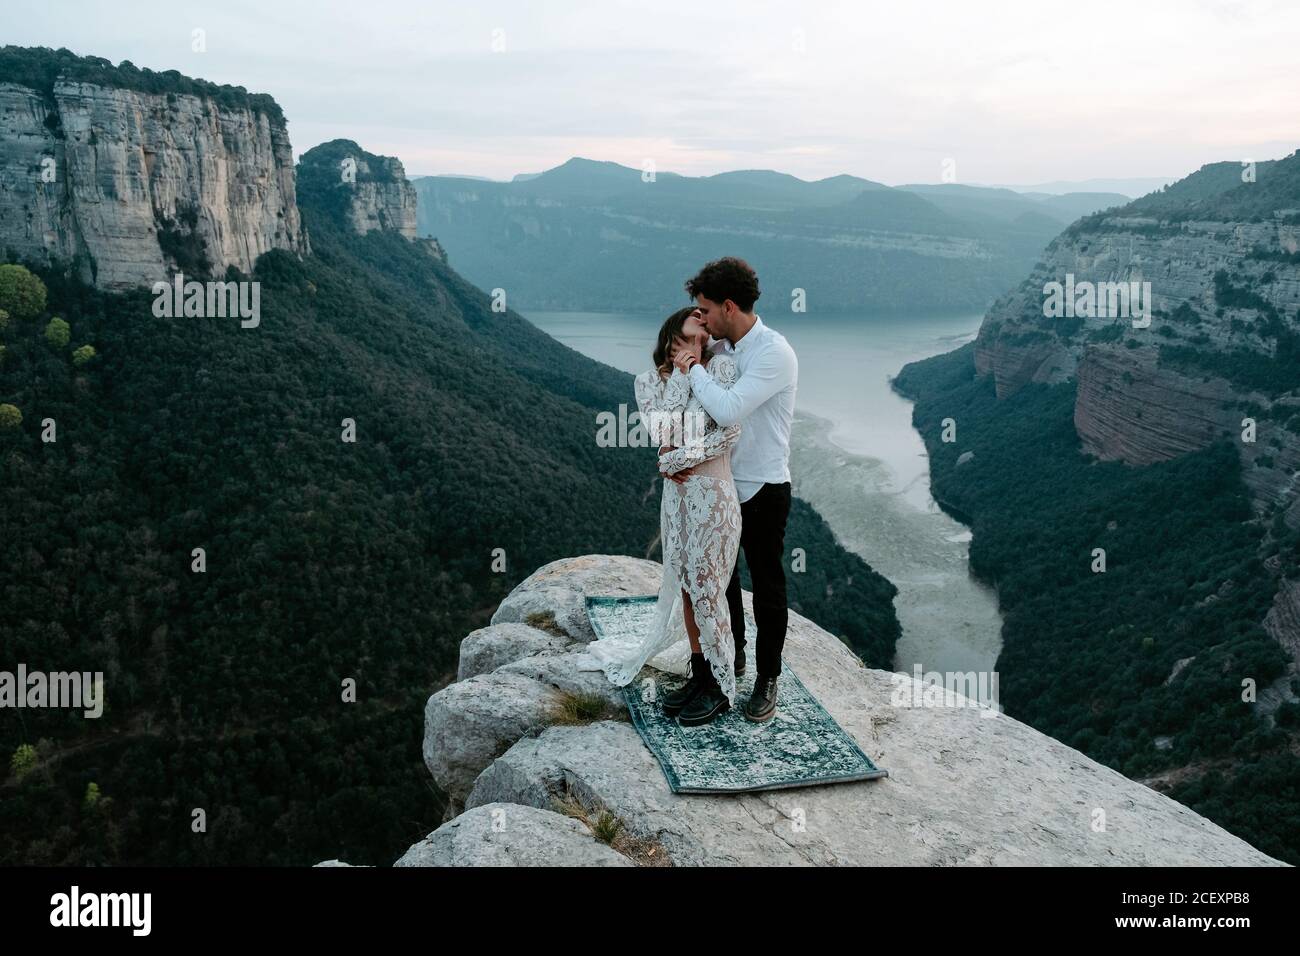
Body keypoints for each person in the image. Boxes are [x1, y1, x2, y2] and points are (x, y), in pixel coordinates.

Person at [582, 306, 743, 726]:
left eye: (705, 330)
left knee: (710, 590)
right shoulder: (648, 382)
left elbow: (729, 432)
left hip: (713, 495)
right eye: (694, 326)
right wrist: (680, 377)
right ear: (673, 333)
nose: (702, 332)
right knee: (688, 587)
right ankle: (700, 673)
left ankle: (722, 688)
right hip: (676, 503)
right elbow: (663, 434)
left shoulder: (720, 370)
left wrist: (677, 461)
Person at [671, 257, 798, 722]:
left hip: (764, 486)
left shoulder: (774, 352)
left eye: (706, 309)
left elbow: (727, 410)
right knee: (721, 582)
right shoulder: (720, 349)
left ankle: (768, 677)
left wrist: (693, 368)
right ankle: (731, 660)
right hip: (720, 485)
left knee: (766, 585)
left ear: (729, 305)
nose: (702, 318)